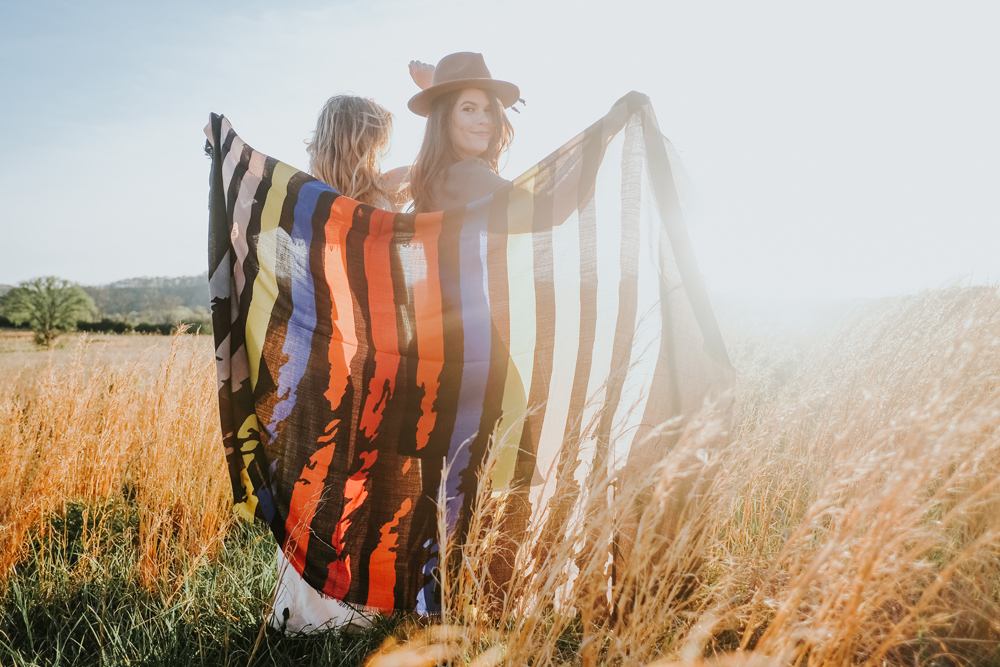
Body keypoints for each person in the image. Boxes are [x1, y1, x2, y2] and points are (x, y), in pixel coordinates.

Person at [270, 94, 403, 635]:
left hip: (319, 358)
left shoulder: (299, 195)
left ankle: (317, 608)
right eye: (377, 138)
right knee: (354, 479)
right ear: (362, 138)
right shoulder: (380, 193)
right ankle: (346, 608)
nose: (380, 149)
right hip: (363, 356)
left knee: (319, 479)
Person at [405, 52, 519, 212]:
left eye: (489, 110)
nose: (484, 120)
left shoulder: (432, 179)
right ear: (443, 120)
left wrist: (434, 90)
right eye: (469, 109)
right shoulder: (470, 176)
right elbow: (550, 210)